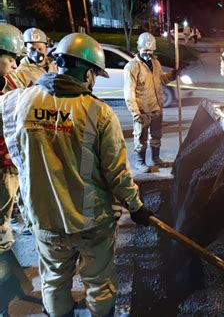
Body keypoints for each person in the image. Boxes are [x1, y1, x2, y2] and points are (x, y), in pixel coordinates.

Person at [0, 33, 155, 316]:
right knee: (99, 284)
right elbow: (117, 173)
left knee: (54, 282)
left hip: (44, 220)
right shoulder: (98, 112)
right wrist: (135, 206)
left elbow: (13, 153)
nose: (94, 80)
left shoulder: (18, 102)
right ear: (86, 72)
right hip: (91, 221)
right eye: (94, 73)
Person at [124, 32, 177, 173]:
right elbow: (129, 93)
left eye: (150, 50)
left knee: (156, 135)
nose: (148, 53)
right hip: (142, 111)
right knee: (141, 138)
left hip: (157, 108)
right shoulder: (132, 67)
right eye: (145, 50)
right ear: (139, 48)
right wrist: (135, 113)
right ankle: (140, 162)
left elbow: (162, 80)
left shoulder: (155, 63)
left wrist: (172, 75)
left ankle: (155, 158)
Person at [0, 23, 24, 253]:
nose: (15, 64)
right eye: (11, 58)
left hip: (12, 162)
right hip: (2, 164)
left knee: (7, 210)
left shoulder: (11, 82)